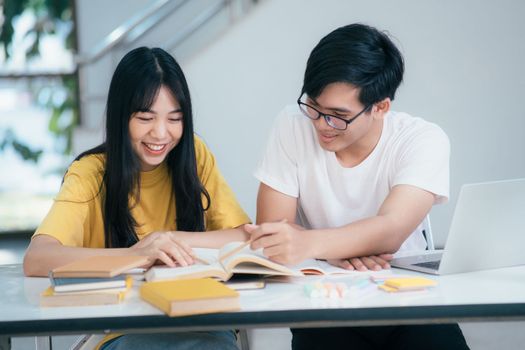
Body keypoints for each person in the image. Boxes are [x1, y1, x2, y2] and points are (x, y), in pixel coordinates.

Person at [247, 24, 470, 349]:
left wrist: (313, 244)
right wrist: (334, 249)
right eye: (314, 106)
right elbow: (275, 233)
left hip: (409, 294)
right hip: (323, 298)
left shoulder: (422, 140)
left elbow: (391, 229)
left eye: (339, 115)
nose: (322, 124)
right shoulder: (292, 125)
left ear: (380, 107)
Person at [23, 47, 250, 350]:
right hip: (122, 329)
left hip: (199, 320)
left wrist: (166, 239)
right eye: (145, 117)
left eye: (175, 118)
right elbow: (38, 258)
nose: (161, 133)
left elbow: (243, 237)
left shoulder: (194, 155)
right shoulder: (90, 173)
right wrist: (137, 255)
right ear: (121, 116)